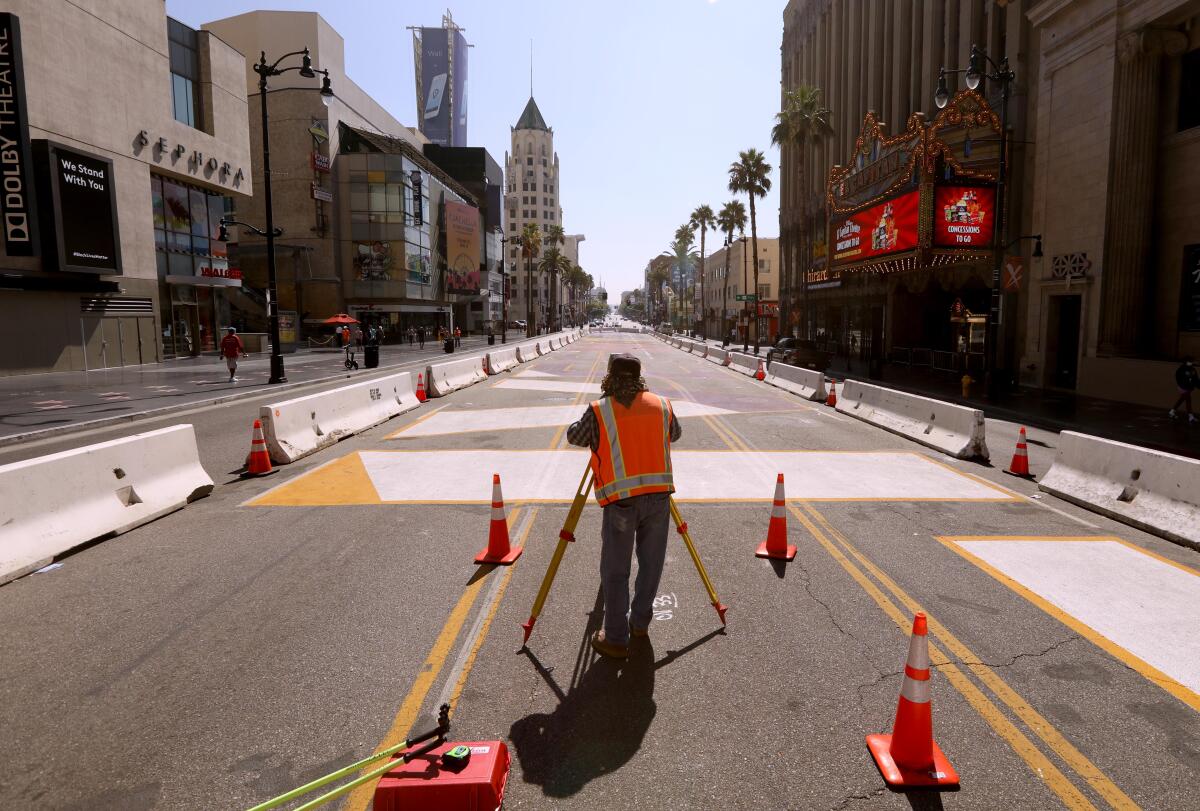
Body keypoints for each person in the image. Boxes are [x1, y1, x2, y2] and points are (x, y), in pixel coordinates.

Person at [567, 353, 682, 659]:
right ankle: (640, 624)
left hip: (621, 501)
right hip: (658, 497)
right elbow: (675, 433)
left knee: (616, 570)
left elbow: (575, 436)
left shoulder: (600, 410)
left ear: (610, 376)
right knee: (651, 564)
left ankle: (616, 637)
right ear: (639, 377)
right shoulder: (661, 405)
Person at [1168, 357, 1198, 423]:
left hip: (1189, 387)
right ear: (1186, 361)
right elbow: (1178, 378)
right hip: (1183, 387)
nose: (1191, 362)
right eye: (1190, 361)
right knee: (1188, 400)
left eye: (1191, 361)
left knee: (1182, 399)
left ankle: (1172, 411)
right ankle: (1190, 416)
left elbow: (1195, 379)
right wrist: (1183, 384)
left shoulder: (1193, 369)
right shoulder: (1181, 369)